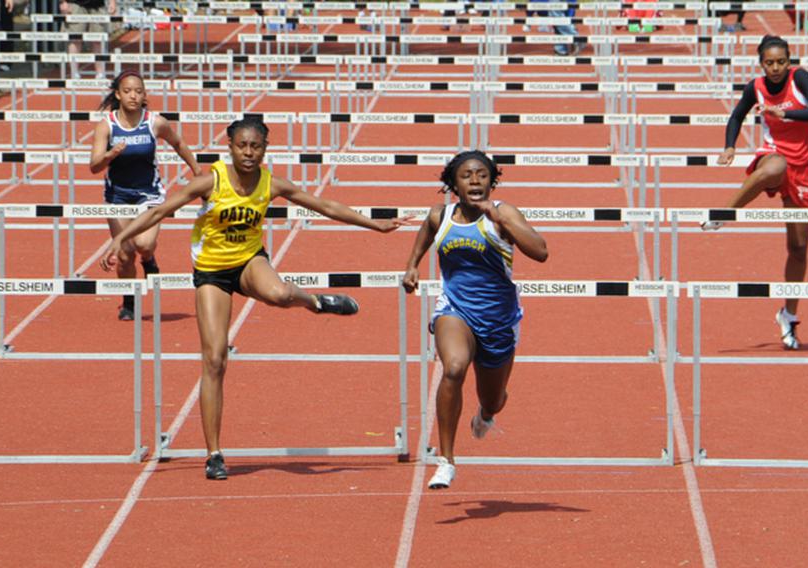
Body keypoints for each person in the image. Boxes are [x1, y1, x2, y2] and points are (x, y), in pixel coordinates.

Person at [100, 117, 409, 479]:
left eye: (256, 146)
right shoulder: (209, 181)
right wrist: (118, 240)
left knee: (279, 293)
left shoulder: (270, 183)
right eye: (242, 146)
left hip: (249, 260)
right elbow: (158, 211)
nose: (249, 153)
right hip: (212, 271)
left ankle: (316, 302)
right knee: (214, 359)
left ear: (264, 149)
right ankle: (214, 453)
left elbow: (322, 205)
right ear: (230, 147)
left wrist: (377, 224)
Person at [402, 150, 548, 489]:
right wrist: (412, 265)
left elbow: (540, 251)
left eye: (482, 175)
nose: (475, 181)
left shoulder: (504, 213)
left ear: (492, 181)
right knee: (453, 366)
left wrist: (499, 218)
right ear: (453, 183)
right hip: (455, 310)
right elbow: (425, 232)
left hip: (499, 320)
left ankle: (486, 414)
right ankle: (446, 460)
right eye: (466, 175)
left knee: (493, 399)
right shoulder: (441, 216)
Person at [702, 35, 808, 350]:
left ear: (788, 61)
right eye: (769, 62)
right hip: (775, 153)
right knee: (772, 169)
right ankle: (723, 214)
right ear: (761, 63)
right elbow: (736, 115)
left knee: (798, 248)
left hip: (806, 165)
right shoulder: (755, 86)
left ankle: (789, 315)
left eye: (780, 62)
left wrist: (785, 113)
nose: (775, 68)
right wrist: (729, 146)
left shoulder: (800, 78)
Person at [90, 70, 201, 321]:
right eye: (128, 91)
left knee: (144, 244)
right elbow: (94, 166)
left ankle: (149, 260)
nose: (133, 96)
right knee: (125, 254)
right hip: (117, 196)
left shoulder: (154, 122)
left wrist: (196, 169)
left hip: (148, 194)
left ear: (144, 96)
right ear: (118, 94)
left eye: (139, 91)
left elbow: (179, 144)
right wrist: (109, 155)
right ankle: (129, 301)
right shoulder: (106, 125)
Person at [59, 0, 115, 79]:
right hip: (75, 4)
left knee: (98, 39)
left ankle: (100, 73)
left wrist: (112, 2)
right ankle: (74, 73)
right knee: (75, 39)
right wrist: (63, 2)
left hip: (98, 6)